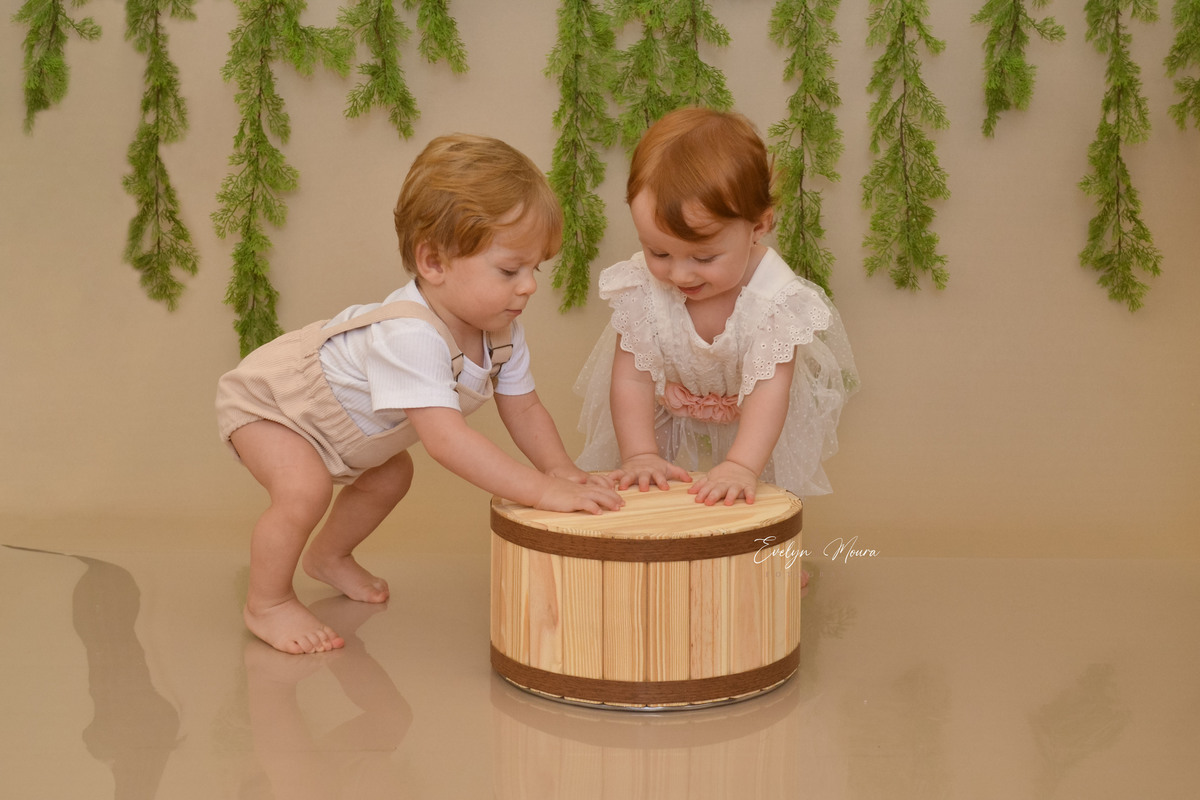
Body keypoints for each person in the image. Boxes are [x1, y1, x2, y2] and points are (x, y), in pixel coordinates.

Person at [217, 134, 623, 655]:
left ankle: (328, 557)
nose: (529, 287)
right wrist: (541, 493)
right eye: (509, 270)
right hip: (277, 406)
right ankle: (267, 603)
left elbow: (524, 406)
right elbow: (447, 441)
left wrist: (560, 469)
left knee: (392, 474)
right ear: (433, 262)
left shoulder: (500, 329)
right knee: (304, 489)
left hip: (350, 432)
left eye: (534, 270)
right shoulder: (412, 334)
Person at [575, 107, 858, 506]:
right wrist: (640, 454)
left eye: (703, 258)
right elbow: (631, 380)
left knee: (748, 495)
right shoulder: (641, 287)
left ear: (758, 226)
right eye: (658, 251)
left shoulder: (774, 300)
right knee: (653, 494)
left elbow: (768, 390)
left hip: (756, 424)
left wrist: (743, 464)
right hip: (661, 417)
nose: (679, 274)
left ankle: (763, 560)